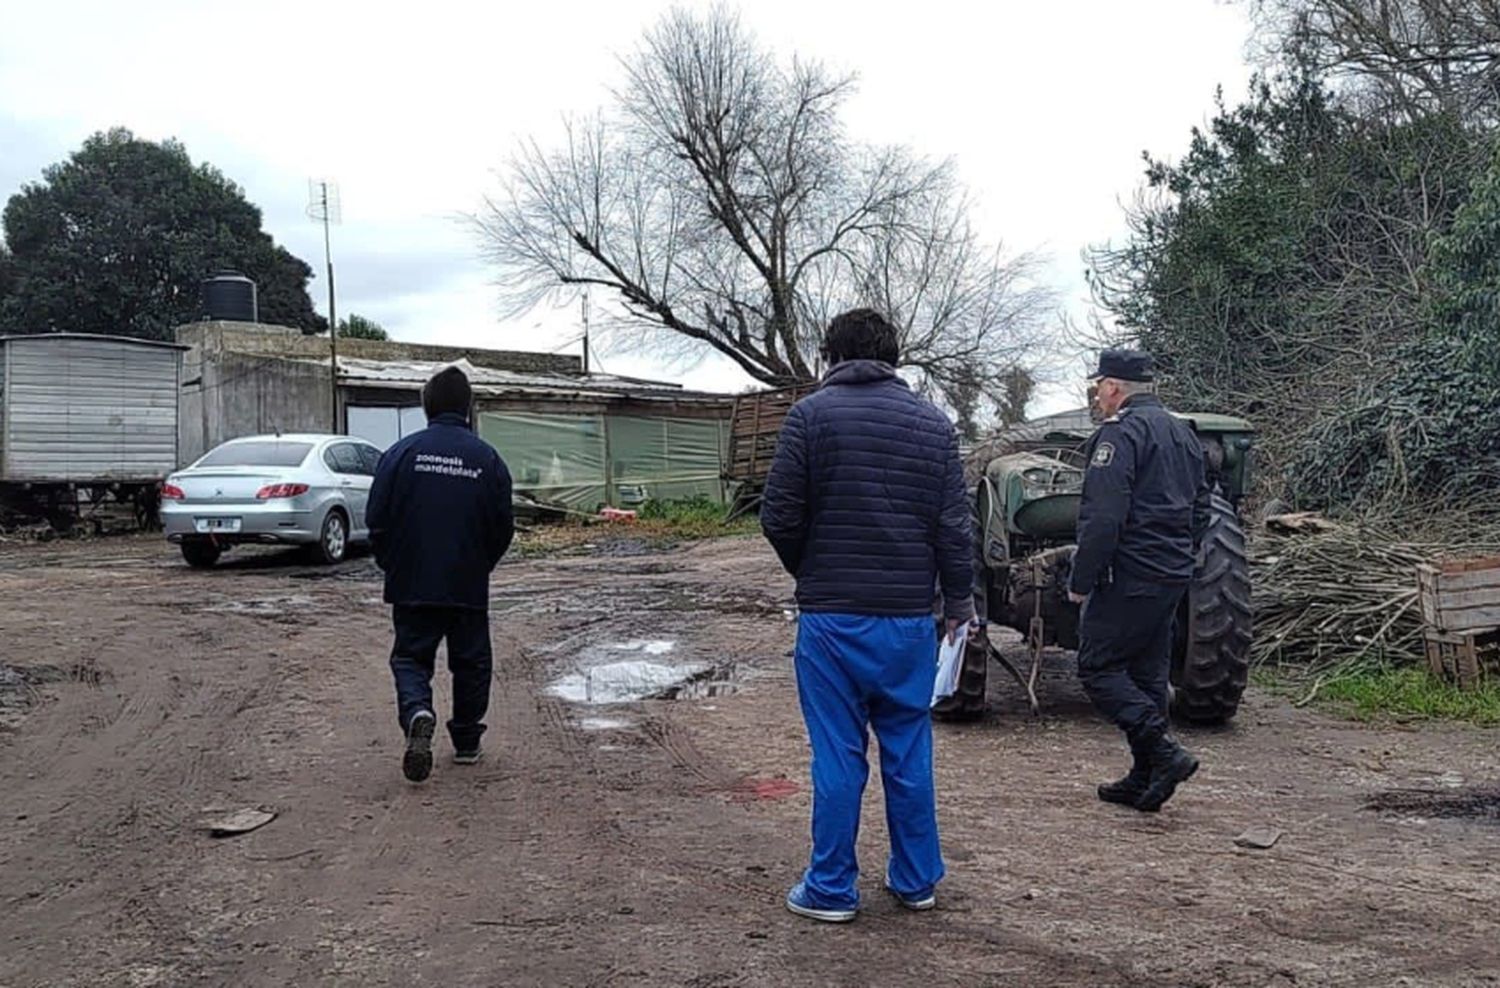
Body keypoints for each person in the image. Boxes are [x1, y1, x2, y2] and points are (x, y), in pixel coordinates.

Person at [761, 308, 973, 923]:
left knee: (837, 756)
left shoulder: (808, 418)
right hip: (908, 622)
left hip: (830, 622)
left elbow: (778, 516)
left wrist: (812, 572)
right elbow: (953, 529)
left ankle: (830, 889)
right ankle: (916, 880)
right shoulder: (934, 426)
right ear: (893, 356)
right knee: (908, 749)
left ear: (830, 355)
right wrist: (959, 604)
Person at [1066, 349, 1210, 813]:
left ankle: (1165, 753)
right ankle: (1145, 774)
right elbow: (1203, 506)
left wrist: (1081, 579)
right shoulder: (1183, 433)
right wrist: (1181, 553)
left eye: (1099, 388)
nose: (1098, 398)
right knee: (1148, 673)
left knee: (1098, 667)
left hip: (1128, 573)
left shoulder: (1119, 435)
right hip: (1172, 573)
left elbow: (1103, 517)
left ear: (1113, 388)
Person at [368, 366, 514, 783]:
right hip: (467, 582)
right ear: (467, 407)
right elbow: (503, 526)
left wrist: (391, 561)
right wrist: (480, 563)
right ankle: (467, 742)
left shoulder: (400, 454)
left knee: (411, 657)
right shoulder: (488, 459)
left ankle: (418, 710)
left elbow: (376, 519)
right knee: (471, 662)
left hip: (412, 580)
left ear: (426, 406)